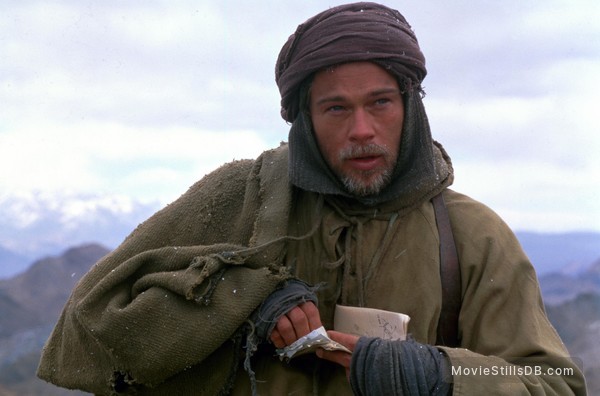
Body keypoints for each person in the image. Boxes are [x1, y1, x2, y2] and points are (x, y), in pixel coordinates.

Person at [37, 2, 586, 395]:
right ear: (305, 119)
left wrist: (434, 375)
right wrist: (242, 296)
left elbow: (551, 383)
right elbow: (95, 316)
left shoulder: (471, 236)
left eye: (381, 103)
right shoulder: (242, 201)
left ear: (411, 106)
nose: (363, 129)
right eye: (336, 109)